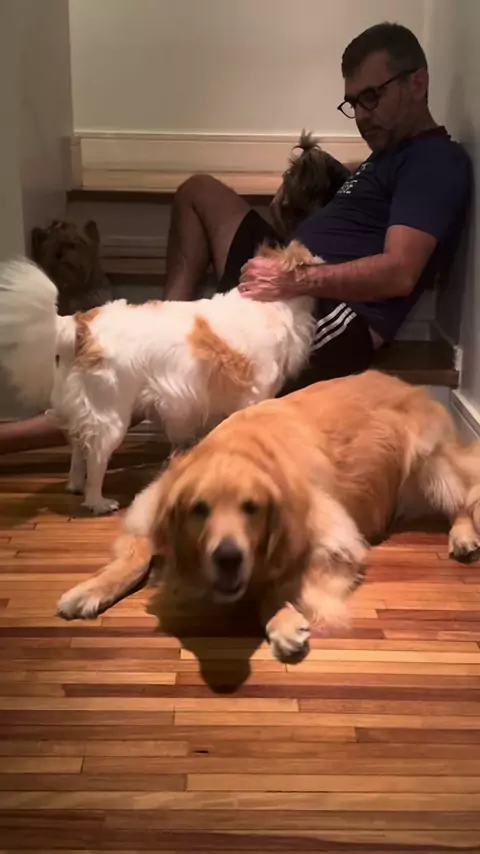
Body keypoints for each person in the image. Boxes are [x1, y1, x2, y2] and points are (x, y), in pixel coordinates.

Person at [0, 21, 471, 454]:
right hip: (288, 282)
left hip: (328, 314)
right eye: (354, 103)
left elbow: (400, 271)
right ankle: (166, 327)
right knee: (199, 193)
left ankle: (32, 427)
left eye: (372, 97)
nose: (362, 116)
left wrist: (295, 279)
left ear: (417, 83)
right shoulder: (386, 156)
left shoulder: (435, 162)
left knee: (153, 365)